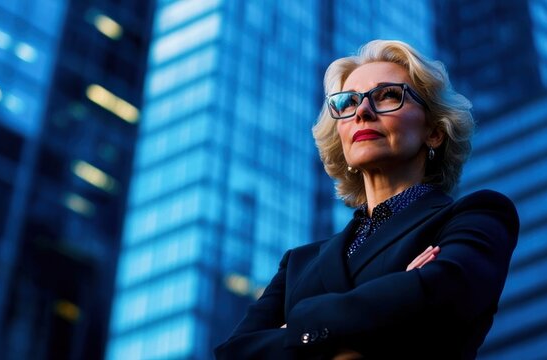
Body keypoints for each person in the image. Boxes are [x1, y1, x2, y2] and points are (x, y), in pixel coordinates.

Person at [214, 39, 519, 359]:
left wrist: (298, 327)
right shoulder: (299, 264)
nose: (362, 111)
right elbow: (235, 353)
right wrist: (395, 301)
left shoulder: (477, 215)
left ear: (434, 132)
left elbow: (445, 293)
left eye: (388, 95)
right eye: (347, 102)